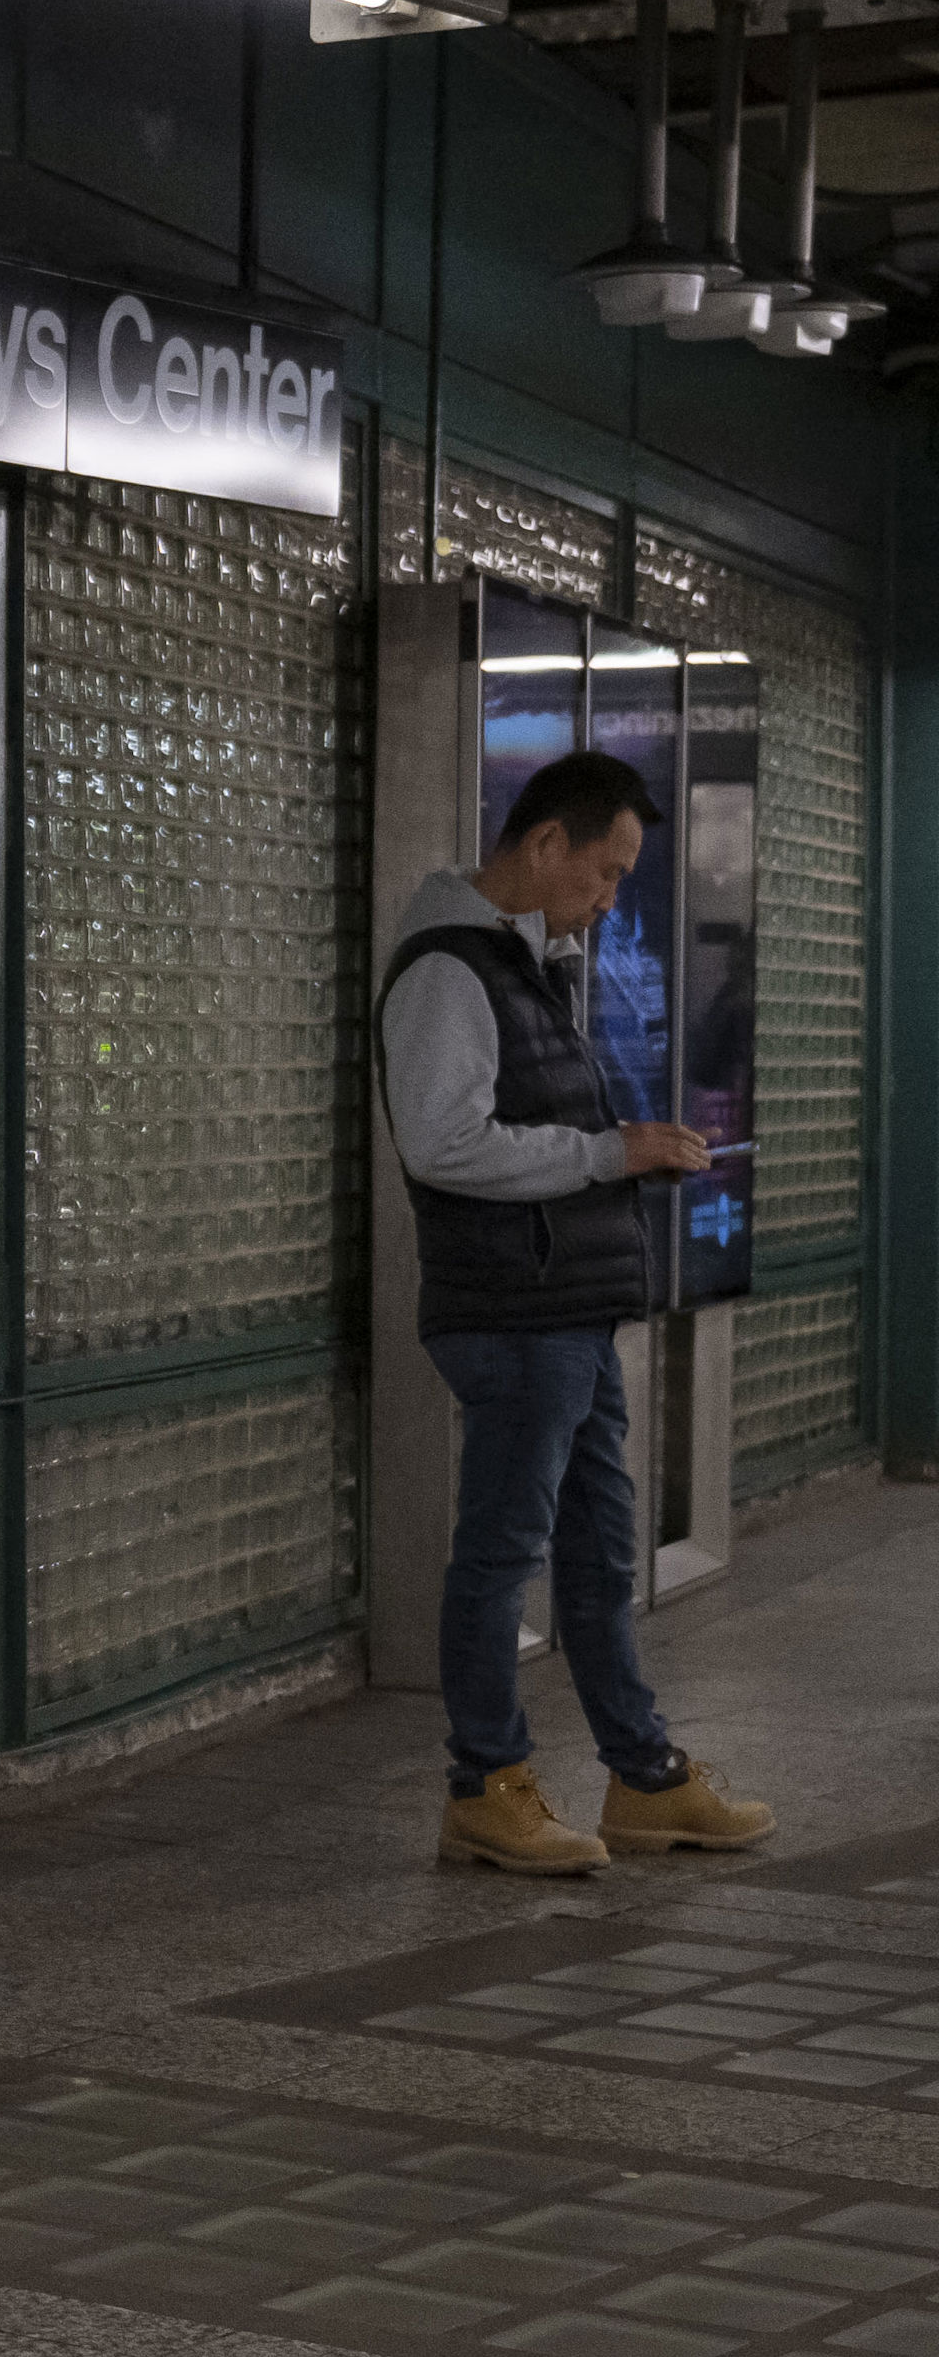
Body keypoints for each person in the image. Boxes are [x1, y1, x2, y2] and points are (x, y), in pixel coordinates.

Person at [382, 749, 771, 1874]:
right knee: (499, 1553)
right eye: (601, 874)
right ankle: (483, 1783)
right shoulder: (448, 971)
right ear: (543, 844)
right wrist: (610, 1150)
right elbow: (442, 1141)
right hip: (509, 1312)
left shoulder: (525, 967)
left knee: (600, 1550)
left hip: (565, 1308)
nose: (606, 901)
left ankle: (642, 1777)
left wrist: (624, 1158)